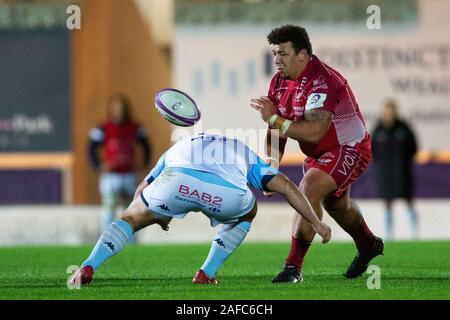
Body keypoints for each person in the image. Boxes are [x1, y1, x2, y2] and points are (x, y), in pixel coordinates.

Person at [70, 133, 331, 285]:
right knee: (248, 211)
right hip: (225, 194)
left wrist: (154, 215)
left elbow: (141, 190)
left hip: (176, 182)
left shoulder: (179, 146)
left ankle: (88, 266)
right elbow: (286, 186)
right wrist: (317, 223)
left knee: (130, 218)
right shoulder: (243, 151)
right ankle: (206, 272)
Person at [250, 24, 383, 283]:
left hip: (349, 147)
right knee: (337, 205)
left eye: (283, 54)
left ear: (303, 55)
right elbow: (276, 129)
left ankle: (292, 268)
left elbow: (313, 132)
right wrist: (272, 166)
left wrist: (275, 118)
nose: (276, 60)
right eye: (274, 54)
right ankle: (368, 244)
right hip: (318, 153)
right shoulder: (278, 82)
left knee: (309, 187)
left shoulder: (324, 81)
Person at [88, 94, 151, 233]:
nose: (120, 111)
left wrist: (144, 165)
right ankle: (106, 238)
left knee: (131, 209)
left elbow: (146, 146)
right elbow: (91, 148)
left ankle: (130, 239)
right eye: (116, 108)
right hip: (111, 176)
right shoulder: (103, 127)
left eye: (122, 108)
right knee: (109, 207)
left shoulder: (135, 127)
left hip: (129, 174)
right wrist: (98, 165)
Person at [371, 99, 419, 239]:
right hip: (384, 173)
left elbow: (414, 148)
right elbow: (373, 151)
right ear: (384, 112)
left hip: (402, 172)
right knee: (387, 202)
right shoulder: (378, 129)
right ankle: (389, 234)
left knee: (408, 200)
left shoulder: (404, 128)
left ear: (396, 111)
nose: (390, 114)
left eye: (392, 111)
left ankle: (415, 233)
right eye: (387, 111)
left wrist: (403, 163)